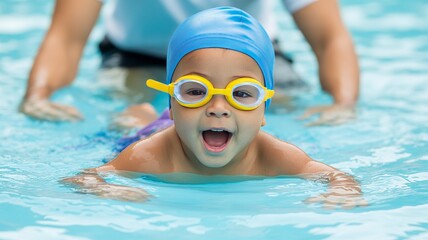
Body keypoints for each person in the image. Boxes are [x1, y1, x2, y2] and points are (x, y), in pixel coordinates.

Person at [63, 7, 367, 209]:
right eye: (195, 91)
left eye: (242, 94)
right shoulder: (148, 154)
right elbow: (83, 176)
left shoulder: (275, 155)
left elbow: (337, 177)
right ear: (172, 101)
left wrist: (342, 190)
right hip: (148, 131)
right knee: (133, 123)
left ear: (264, 110)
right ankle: (140, 112)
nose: (218, 108)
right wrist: (105, 189)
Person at [20, 0, 359, 127]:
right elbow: (66, 37)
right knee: (128, 122)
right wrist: (39, 94)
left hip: (245, 56)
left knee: (287, 121)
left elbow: (331, 39)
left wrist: (342, 104)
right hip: (136, 58)